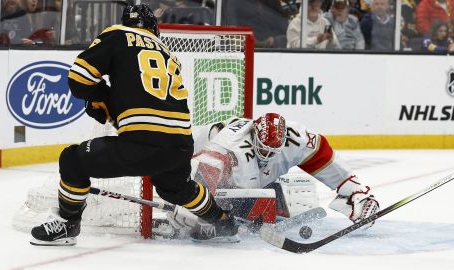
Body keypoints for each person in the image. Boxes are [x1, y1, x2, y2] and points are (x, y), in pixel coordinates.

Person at [30, 3, 238, 246]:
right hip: (180, 143)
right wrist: (112, 104)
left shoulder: (117, 34)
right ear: (153, 28)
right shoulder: (167, 52)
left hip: (143, 142)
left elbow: (79, 79)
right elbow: (148, 99)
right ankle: (222, 220)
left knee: (72, 160)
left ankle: (67, 223)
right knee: (176, 188)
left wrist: (100, 98)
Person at [168, 113, 380, 232]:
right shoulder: (231, 144)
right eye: (263, 149)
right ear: (254, 135)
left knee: (269, 197)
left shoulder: (294, 138)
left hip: (255, 188)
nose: (267, 155)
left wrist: (355, 191)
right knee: (207, 227)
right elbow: (207, 165)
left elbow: (321, 154)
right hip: (194, 163)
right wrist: (191, 203)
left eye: (273, 151)